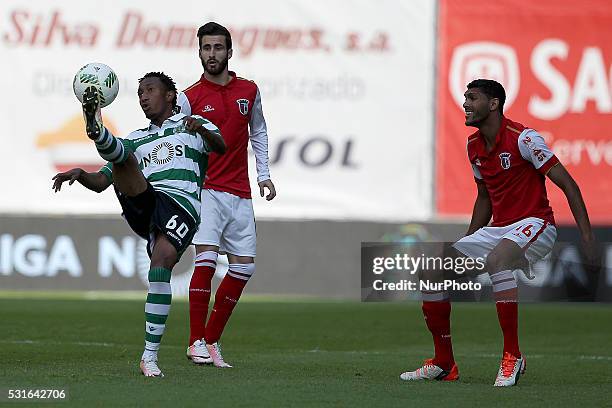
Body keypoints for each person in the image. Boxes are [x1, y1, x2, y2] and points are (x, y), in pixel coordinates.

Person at [400, 79, 596, 386]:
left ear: (493, 104)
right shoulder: (473, 146)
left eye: (472, 98)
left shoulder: (524, 139)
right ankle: (444, 363)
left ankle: (512, 356)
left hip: (536, 224)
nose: (465, 103)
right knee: (433, 269)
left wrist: (587, 238)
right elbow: (485, 197)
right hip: (499, 228)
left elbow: (569, 185)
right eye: (465, 97)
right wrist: (466, 241)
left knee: (497, 260)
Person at [52, 72, 226, 377]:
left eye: (150, 90)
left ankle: (149, 357)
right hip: (144, 200)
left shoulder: (192, 125)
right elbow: (101, 182)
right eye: (140, 92)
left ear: (170, 95)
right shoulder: (136, 137)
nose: (143, 97)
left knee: (161, 264)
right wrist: (81, 174)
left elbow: (221, 145)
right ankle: (97, 131)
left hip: (180, 204)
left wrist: (202, 129)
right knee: (125, 157)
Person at [177, 22, 276, 368]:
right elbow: (174, 144)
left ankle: (211, 339)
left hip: (242, 193)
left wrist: (264, 175)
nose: (212, 54)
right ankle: (194, 342)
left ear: (229, 52)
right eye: (206, 48)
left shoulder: (249, 90)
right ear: (199, 52)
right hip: (206, 192)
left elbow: (259, 130)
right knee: (204, 260)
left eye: (219, 48)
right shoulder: (189, 98)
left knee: (244, 267)